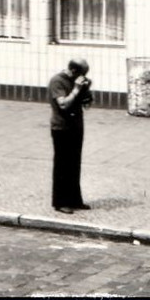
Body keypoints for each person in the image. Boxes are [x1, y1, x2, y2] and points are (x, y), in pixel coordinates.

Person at [48, 57, 93, 213]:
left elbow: (86, 105)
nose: (81, 78)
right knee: (62, 165)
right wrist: (75, 89)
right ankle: (60, 202)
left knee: (74, 163)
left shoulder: (77, 83)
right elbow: (63, 104)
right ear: (73, 71)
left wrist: (86, 91)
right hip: (61, 127)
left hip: (76, 126)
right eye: (81, 74)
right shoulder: (57, 81)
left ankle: (75, 200)